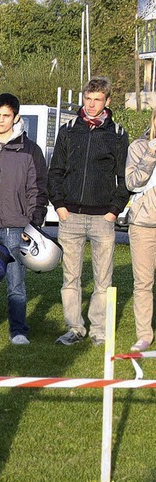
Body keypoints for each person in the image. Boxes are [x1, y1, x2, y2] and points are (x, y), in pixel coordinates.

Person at [49, 77, 129, 346]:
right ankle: (74, 328)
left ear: (107, 101)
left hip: (102, 218)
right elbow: (55, 171)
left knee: (102, 280)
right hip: (69, 216)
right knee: (70, 278)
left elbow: (124, 177)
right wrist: (59, 206)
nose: (91, 104)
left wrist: (114, 211)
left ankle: (98, 330)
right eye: (88, 99)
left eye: (97, 100)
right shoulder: (68, 130)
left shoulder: (117, 134)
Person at [0, 93, 48, 345]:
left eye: (6, 116)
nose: (1, 120)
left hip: (16, 226)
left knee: (16, 284)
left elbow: (37, 189)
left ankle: (18, 331)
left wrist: (34, 224)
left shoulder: (31, 150)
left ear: (16, 117)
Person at [124, 108, 156, 352]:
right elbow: (132, 183)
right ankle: (144, 334)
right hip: (143, 224)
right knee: (143, 283)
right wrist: (151, 154)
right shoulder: (138, 147)